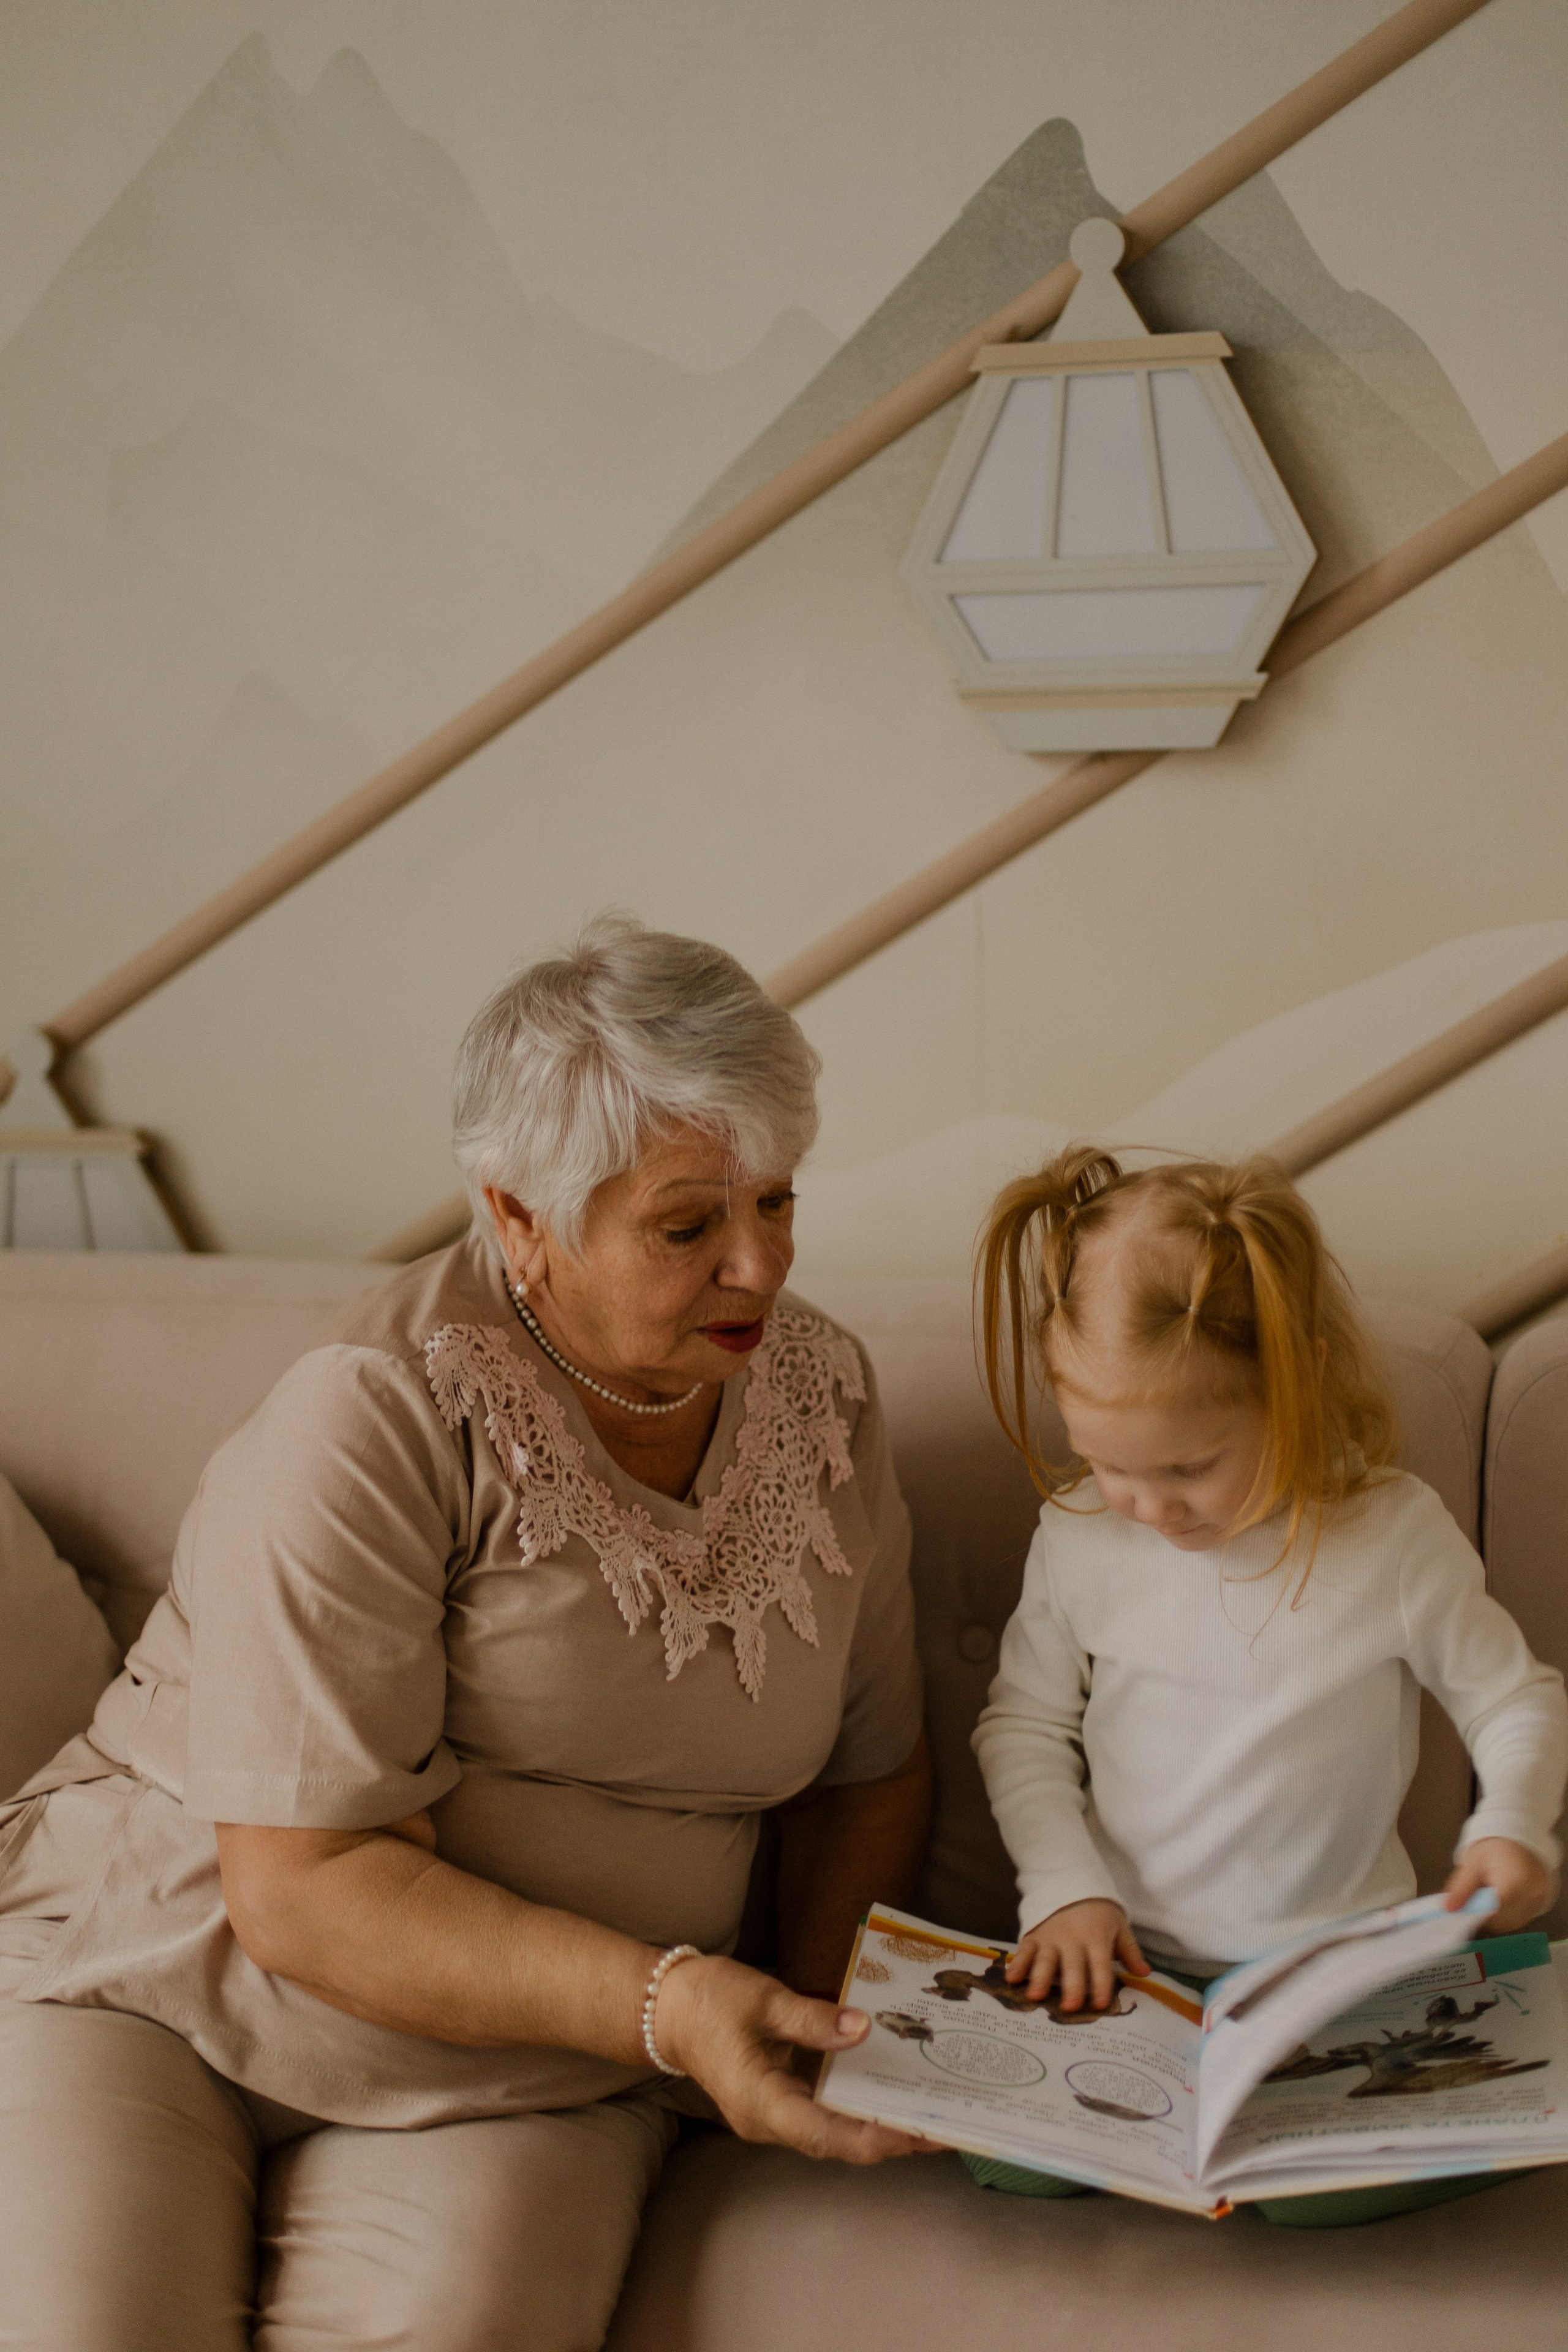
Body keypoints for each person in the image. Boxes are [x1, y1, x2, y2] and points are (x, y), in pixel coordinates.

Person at [0, 917, 937, 2351]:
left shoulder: (824, 1398)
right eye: (686, 1227)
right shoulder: (371, 1411)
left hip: (549, 2059)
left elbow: (866, 1775)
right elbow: (300, 1887)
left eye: (778, 1201)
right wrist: (672, 2000)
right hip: (161, 1972)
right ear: (517, 1219)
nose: (756, 1266)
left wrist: (804, 2034)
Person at [965, 1145, 1568, 2226]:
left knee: (1305, 2200)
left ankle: (1523, 2057)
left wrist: (1514, 1824)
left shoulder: (1390, 1538)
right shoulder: (1080, 1535)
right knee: (1002, 2159)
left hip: (1332, 1978)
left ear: (1297, 1382)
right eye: (1105, 1460)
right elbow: (1023, 1725)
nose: (1144, 1506)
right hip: (1131, 1967)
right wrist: (1063, 1888)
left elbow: (1515, 1699)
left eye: (1188, 1467)